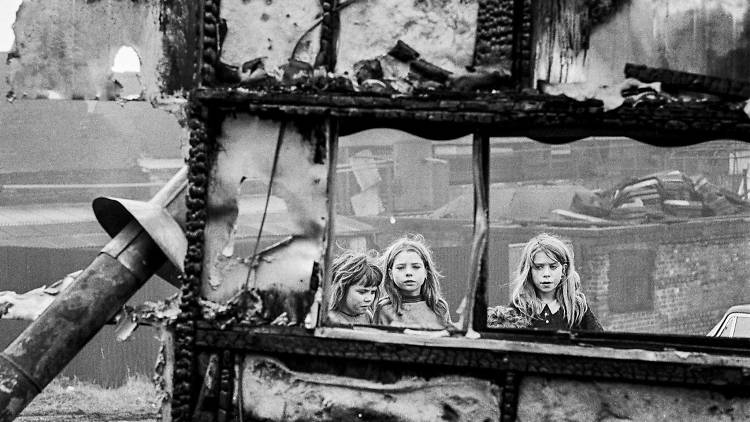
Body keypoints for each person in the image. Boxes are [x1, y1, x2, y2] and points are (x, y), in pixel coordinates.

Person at [509, 233, 603, 331]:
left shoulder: (577, 307)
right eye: (539, 267)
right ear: (529, 271)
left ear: (563, 270)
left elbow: (599, 341)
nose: (546, 274)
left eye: (553, 267)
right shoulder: (519, 307)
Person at [374, 234, 451, 329]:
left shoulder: (439, 307)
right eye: (400, 267)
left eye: (416, 267)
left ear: (426, 272)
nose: (409, 273)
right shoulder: (384, 308)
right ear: (390, 274)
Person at [327, 250, 382, 325]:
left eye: (373, 292)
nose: (369, 299)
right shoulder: (330, 319)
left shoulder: (367, 315)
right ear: (341, 289)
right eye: (362, 292)